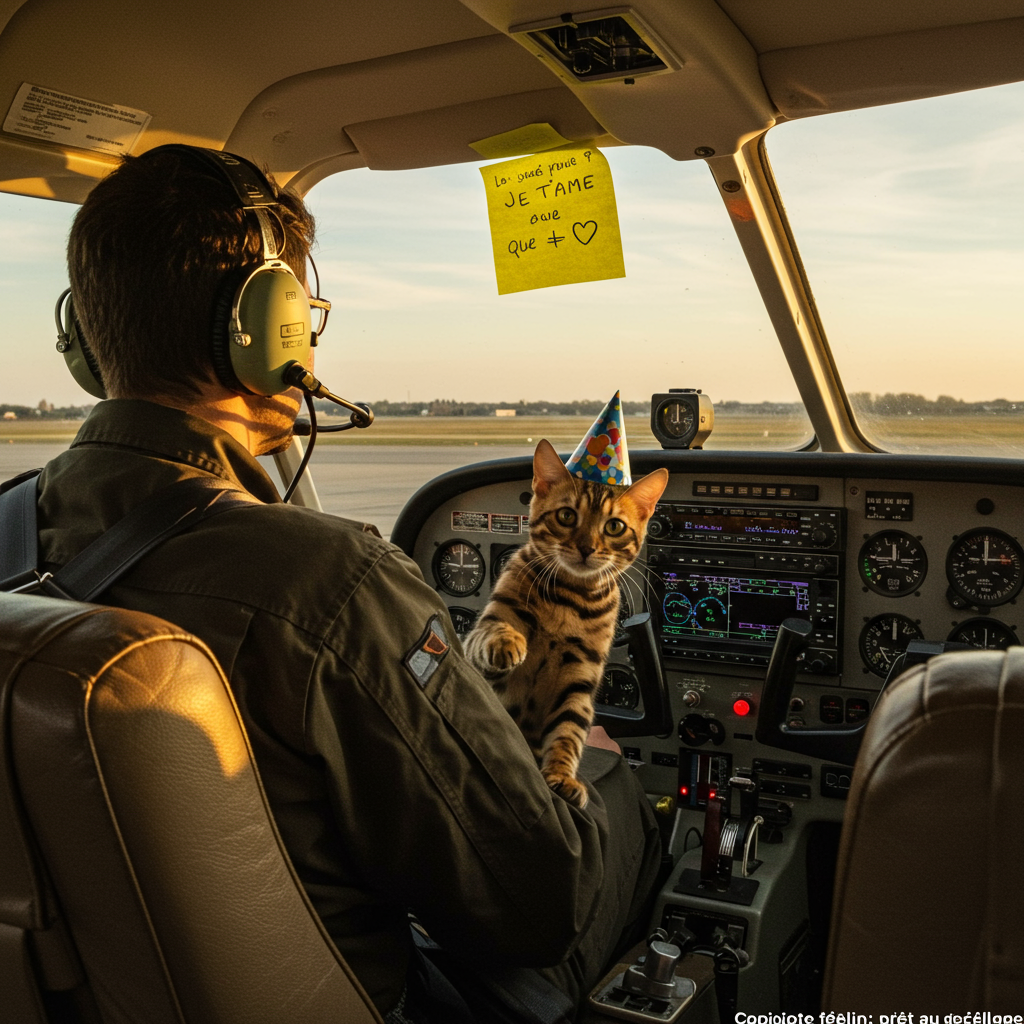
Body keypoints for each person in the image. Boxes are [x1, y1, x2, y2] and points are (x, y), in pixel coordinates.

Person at [29, 145, 661, 1023]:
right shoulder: (331, 587)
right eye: (303, 316)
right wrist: (583, 766)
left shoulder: (11, 534)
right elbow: (535, 902)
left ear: (86, 338)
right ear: (270, 326)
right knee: (618, 799)